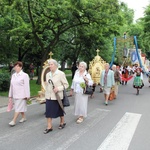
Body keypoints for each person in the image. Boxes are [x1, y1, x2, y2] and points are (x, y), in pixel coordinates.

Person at [44, 59, 69, 134]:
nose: (50, 66)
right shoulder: (48, 74)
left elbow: (66, 85)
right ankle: (49, 127)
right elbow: (47, 84)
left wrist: (58, 88)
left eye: (51, 64)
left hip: (57, 96)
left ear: (55, 65)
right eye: (49, 65)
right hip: (49, 96)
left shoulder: (61, 74)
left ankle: (62, 122)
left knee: (59, 110)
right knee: (48, 111)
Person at [8, 61, 30, 126]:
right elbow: (11, 86)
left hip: (22, 95)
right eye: (15, 66)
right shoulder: (13, 75)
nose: (16, 67)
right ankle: (23, 117)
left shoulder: (25, 75)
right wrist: (10, 95)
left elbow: (27, 86)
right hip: (15, 94)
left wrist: (27, 95)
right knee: (19, 107)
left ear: (21, 67)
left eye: (18, 66)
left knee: (17, 107)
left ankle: (13, 120)